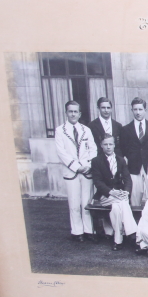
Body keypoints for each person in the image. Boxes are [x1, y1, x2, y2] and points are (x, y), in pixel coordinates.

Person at [55, 101, 97, 242]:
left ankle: (89, 230)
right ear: (66, 113)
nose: (73, 114)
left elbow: (93, 149)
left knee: (87, 201)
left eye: (75, 112)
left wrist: (88, 165)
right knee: (74, 203)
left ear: (80, 114)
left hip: (86, 171)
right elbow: (61, 152)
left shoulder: (86, 130)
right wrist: (76, 166)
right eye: (70, 111)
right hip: (71, 172)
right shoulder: (60, 130)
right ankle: (77, 231)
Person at [91, 134, 138, 251]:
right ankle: (133, 233)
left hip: (120, 194)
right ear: (101, 145)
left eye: (110, 144)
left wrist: (126, 192)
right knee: (122, 203)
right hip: (105, 195)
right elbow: (98, 182)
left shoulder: (121, 160)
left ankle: (118, 240)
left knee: (117, 208)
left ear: (114, 145)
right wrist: (111, 192)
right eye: (105, 144)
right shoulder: (96, 161)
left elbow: (127, 179)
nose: (108, 147)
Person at [120, 97, 148, 206]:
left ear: (145, 110)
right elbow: (122, 149)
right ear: (132, 110)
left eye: (140, 109)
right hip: (133, 167)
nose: (138, 112)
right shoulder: (125, 129)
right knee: (134, 198)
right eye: (135, 109)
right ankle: (135, 221)